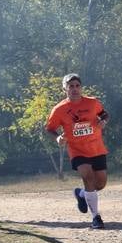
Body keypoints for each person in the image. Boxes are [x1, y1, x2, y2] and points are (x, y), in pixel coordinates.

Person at [45, 74, 111, 230]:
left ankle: (81, 194)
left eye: (77, 86)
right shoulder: (59, 109)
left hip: (96, 148)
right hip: (77, 150)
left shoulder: (92, 102)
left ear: (81, 87)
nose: (74, 89)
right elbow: (49, 129)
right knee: (88, 177)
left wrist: (103, 121)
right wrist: (57, 138)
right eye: (70, 86)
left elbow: (104, 114)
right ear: (65, 89)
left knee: (100, 184)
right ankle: (96, 217)